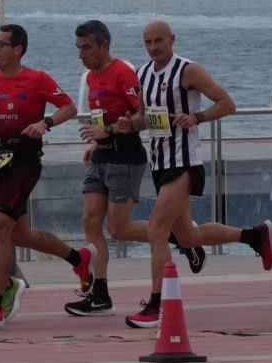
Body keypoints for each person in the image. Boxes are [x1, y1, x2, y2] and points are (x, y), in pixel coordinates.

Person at [122, 19, 272, 329]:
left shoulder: (188, 71)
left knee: (156, 230)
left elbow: (227, 103)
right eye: (148, 42)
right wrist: (126, 125)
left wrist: (196, 117)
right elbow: (143, 119)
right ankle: (254, 235)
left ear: (172, 39)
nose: (154, 47)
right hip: (160, 163)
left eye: (159, 41)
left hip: (184, 162)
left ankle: (158, 303)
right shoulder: (142, 74)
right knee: (188, 236)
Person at [69, 19, 200, 316]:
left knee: (119, 228)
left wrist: (112, 132)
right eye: (78, 49)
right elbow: (104, 116)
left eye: (87, 48)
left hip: (126, 158)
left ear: (104, 46)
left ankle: (175, 237)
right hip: (102, 156)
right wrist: (96, 141)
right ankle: (99, 294)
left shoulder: (124, 73)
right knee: (90, 219)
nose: (81, 55)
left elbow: (139, 117)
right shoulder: (90, 77)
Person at [0, 23, 90, 328]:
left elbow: (69, 107)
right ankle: (79, 259)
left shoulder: (37, 79)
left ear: (17, 49)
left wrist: (45, 123)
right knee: (20, 234)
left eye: (0, 45)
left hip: (25, 162)